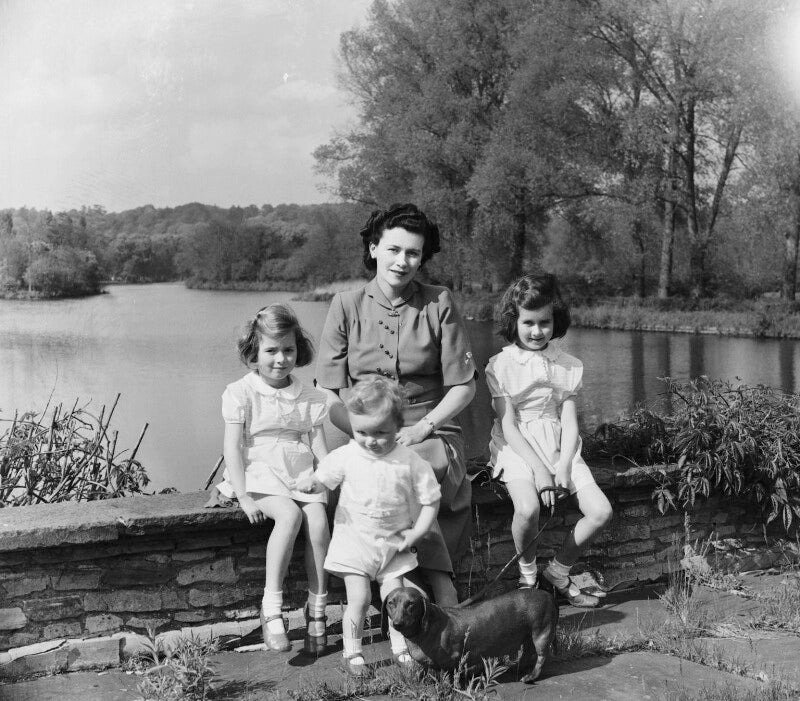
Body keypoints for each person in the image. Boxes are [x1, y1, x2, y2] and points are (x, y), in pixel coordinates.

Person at [315, 203, 476, 606]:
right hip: (363, 430)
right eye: (393, 249)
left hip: (430, 428)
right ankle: (391, 585)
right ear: (373, 249)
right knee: (348, 478)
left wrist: (421, 428)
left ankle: (437, 582)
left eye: (413, 253)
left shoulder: (439, 302)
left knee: (413, 469)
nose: (402, 261)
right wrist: (365, 432)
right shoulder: (345, 305)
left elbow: (464, 387)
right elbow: (327, 393)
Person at [296, 376, 440, 676]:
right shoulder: (348, 454)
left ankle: (401, 649)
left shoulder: (409, 461)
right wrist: (313, 483)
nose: (370, 440)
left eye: (380, 433)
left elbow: (431, 500)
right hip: (355, 542)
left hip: (394, 545)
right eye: (362, 432)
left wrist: (418, 531)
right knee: (359, 598)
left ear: (397, 426)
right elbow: (325, 475)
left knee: (395, 599)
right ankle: (352, 653)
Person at [209, 303, 331, 653]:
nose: (281, 359)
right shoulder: (242, 392)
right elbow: (233, 448)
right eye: (271, 351)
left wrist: (329, 477)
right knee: (289, 516)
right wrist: (244, 495)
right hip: (259, 472)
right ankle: (272, 607)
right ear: (254, 351)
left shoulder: (310, 397)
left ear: (298, 350)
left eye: (288, 350)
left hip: (299, 472)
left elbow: (319, 448)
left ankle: (317, 607)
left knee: (318, 524)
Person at [485, 273, 613, 608]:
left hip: (559, 444)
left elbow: (569, 421)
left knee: (600, 512)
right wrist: (541, 471)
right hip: (517, 447)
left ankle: (557, 572)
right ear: (514, 322)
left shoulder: (568, 365)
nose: (537, 331)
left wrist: (563, 465)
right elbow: (508, 425)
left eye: (545, 322)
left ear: (555, 320)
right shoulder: (500, 365)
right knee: (528, 508)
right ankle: (528, 577)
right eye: (528, 322)